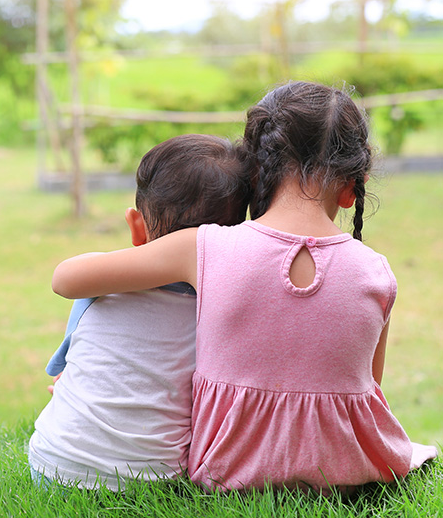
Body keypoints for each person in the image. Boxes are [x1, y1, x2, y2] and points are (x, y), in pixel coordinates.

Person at [52, 81, 438, 493]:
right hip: (346, 474)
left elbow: (67, 280)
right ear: (351, 189)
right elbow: (368, 389)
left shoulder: (205, 246)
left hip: (229, 472)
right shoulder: (376, 272)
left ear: (255, 173)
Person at [29, 134, 249, 490]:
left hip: (53, 464)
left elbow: (63, 278)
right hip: (153, 481)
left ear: (136, 226)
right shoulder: (224, 311)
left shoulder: (100, 283)